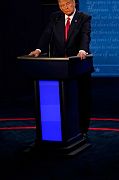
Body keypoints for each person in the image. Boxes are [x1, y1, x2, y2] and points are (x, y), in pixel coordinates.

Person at [29, 0, 93, 137]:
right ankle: (63, 130)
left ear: (74, 3)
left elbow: (85, 35)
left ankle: (83, 130)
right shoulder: (55, 17)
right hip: (58, 67)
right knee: (61, 100)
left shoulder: (84, 17)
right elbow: (47, 34)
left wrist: (83, 49)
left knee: (82, 98)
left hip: (78, 65)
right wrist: (38, 49)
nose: (65, 7)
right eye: (62, 5)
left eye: (68, 4)